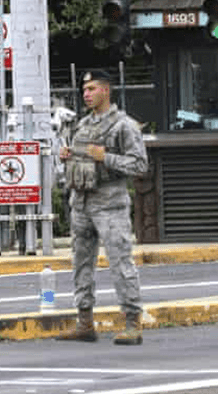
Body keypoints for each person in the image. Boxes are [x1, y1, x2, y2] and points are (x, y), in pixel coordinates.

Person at [56, 69, 149, 345]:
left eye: (92, 88)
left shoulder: (124, 125)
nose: (87, 94)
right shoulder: (82, 125)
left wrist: (106, 157)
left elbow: (139, 164)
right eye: (85, 90)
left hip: (110, 204)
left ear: (106, 90)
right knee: (81, 263)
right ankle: (84, 322)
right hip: (81, 202)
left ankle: (133, 321)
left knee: (120, 261)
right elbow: (80, 158)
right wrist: (68, 155)